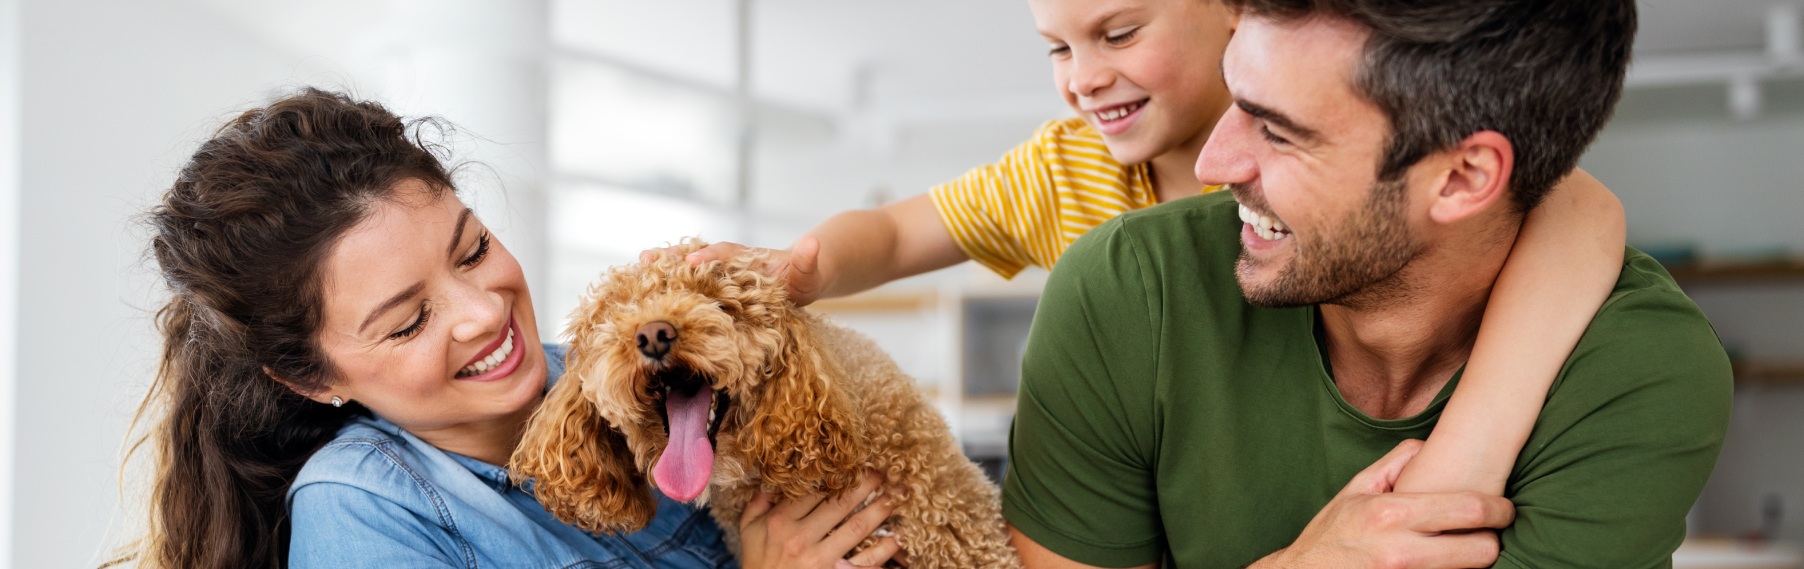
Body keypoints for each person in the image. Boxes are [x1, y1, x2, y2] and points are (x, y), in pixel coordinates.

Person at [675, 0, 1625, 503]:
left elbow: (1576, 205)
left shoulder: (1333, 176)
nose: (1084, 79)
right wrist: (800, 265)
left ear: (1237, 12)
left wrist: (1467, 449)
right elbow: (892, 231)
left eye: (1119, 32)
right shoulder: (1063, 172)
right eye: (1055, 47)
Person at [1003, 0, 1733, 567]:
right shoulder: (1129, 290)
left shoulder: (1638, 369)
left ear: (1462, 178)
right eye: (1235, 100)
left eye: (1278, 131)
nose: (1213, 164)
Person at [110, 88, 900, 569]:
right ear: (312, 378)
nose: (485, 311)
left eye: (475, 248)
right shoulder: (360, 511)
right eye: (410, 320)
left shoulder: (628, 379)